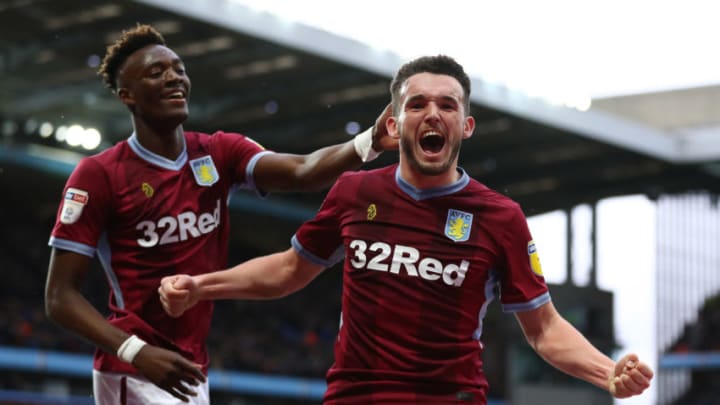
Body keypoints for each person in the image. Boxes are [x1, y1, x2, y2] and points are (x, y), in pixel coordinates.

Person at [158, 55, 654, 404]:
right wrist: (202, 286)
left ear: (466, 125)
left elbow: (544, 327)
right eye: (416, 104)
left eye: (447, 104)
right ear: (394, 125)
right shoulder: (355, 192)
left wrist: (607, 372)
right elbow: (289, 270)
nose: (432, 113)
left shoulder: (500, 217)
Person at [43, 23, 394, 405]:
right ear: (128, 96)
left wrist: (369, 141)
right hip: (135, 368)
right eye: (156, 72)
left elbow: (301, 170)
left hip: (190, 366)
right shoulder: (99, 175)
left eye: (179, 68)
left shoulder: (219, 152)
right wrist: (135, 352)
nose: (174, 77)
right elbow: (59, 296)